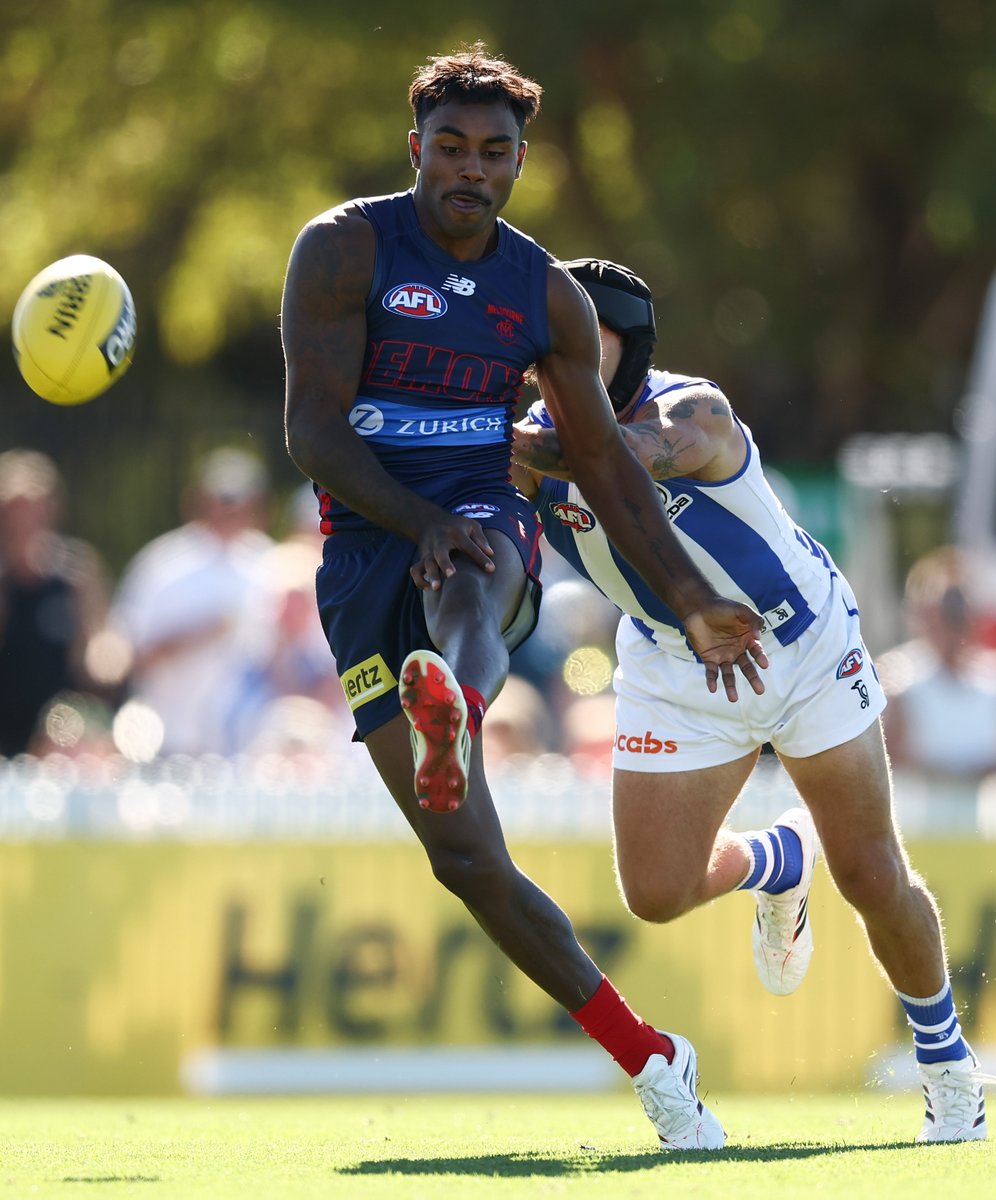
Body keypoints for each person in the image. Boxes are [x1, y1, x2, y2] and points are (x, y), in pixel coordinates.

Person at [281, 44, 772, 1151]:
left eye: (493, 153)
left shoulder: (540, 290)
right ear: (415, 148)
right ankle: (653, 1056)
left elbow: (602, 464)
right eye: (449, 148)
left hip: (480, 515)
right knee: (465, 863)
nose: (470, 170)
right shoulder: (342, 248)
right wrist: (418, 522)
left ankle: (453, 693)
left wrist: (691, 596)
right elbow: (311, 433)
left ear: (519, 163)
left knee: (477, 576)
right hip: (366, 545)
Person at [511, 258, 995, 1145]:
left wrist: (459, 428)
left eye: (587, 340)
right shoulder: (528, 432)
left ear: (631, 347)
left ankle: (947, 1065)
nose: (562, 358)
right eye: (549, 341)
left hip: (799, 644)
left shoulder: (688, 414)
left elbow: (606, 458)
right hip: (671, 661)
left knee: (870, 873)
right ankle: (776, 863)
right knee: (653, 894)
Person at [110, 446, 275, 757]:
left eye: (238, 501)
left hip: (247, 746)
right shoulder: (163, 563)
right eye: (222, 500)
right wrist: (202, 632)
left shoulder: (269, 563)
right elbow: (126, 652)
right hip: (166, 738)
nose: (229, 510)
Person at [0, 449, 111, 757]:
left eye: (33, 507)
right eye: (15, 508)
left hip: (61, 733)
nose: (25, 518)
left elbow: (100, 650)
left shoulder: (77, 573)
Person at [878, 545, 996, 781]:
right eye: (945, 611)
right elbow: (890, 757)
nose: (953, 624)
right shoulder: (898, 677)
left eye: (960, 610)